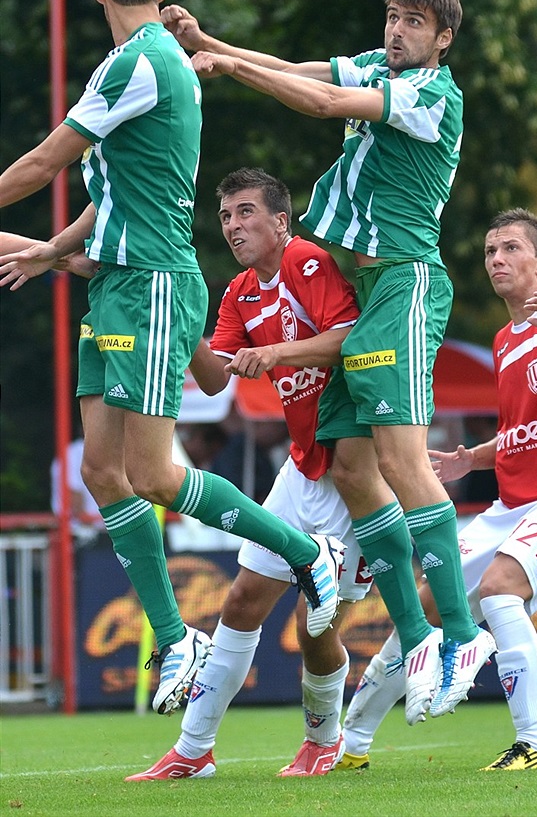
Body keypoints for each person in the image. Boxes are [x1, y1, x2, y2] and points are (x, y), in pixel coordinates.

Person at [0, 0, 342, 717]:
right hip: (117, 286)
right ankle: (175, 635)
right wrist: (53, 250)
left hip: (152, 286)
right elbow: (117, 186)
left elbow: (48, 161)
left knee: (154, 473)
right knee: (100, 471)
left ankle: (304, 552)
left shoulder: (139, 63)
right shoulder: (145, 67)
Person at [161, 0, 495, 725]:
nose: (396, 30)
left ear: (443, 39)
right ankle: (416, 637)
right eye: (392, 15)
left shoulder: (431, 92)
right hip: (366, 286)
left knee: (402, 462)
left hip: (403, 283)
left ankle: (460, 636)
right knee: (353, 464)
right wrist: (209, 41)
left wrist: (230, 65)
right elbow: (312, 71)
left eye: (414, 22)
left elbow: (322, 101)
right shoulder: (381, 65)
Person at [336, 207, 537, 771]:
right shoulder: (505, 339)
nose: (497, 260)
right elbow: (524, 430)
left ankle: (534, 744)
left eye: (510, 248)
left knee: (502, 586)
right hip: (514, 503)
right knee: (432, 602)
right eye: (490, 251)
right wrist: (471, 458)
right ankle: (352, 743)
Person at [125, 167, 372, 781]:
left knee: (312, 631)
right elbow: (214, 378)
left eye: (245, 212)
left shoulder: (308, 262)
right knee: (239, 604)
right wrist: (178, 322)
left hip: (354, 466)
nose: (233, 225)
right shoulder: (238, 291)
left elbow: (350, 337)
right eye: (226, 215)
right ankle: (193, 750)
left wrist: (279, 353)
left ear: (280, 220)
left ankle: (325, 738)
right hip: (299, 467)